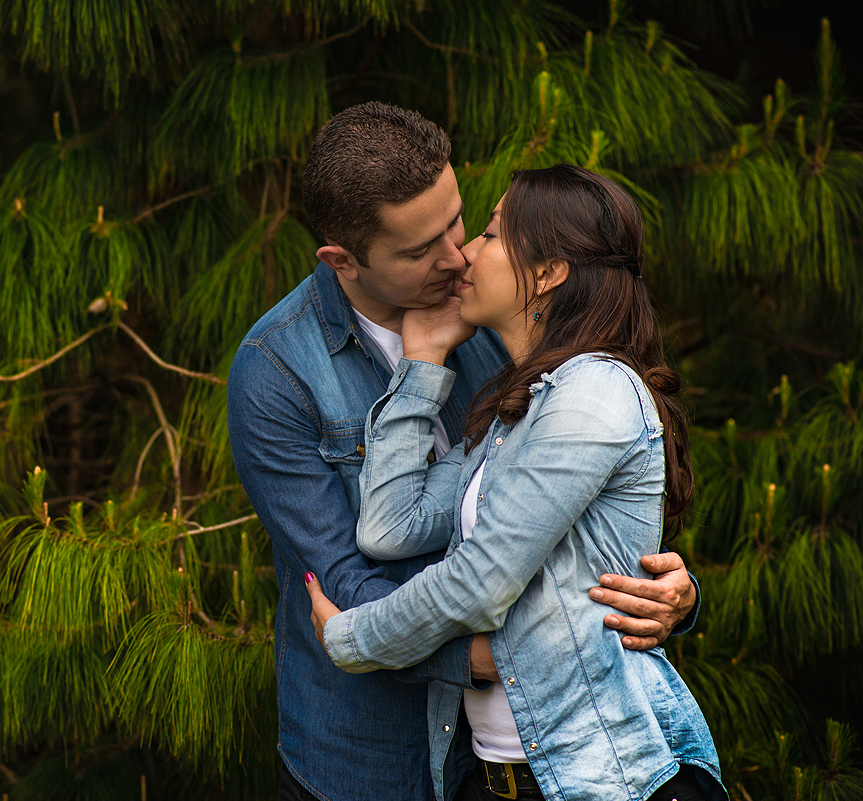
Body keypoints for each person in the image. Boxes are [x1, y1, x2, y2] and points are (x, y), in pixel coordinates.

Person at [227, 103, 700, 801]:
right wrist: (512, 657)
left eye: (460, 222)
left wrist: (674, 599)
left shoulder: (502, 324)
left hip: (530, 762)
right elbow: (346, 583)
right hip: (367, 756)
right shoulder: (277, 370)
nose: (457, 257)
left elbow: (579, 533)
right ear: (343, 260)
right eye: (422, 249)